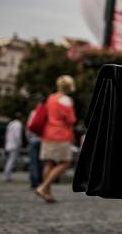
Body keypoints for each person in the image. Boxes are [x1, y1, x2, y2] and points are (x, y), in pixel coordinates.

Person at [35, 75, 77, 203]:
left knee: (49, 163)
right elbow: (71, 120)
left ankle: (47, 193)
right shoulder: (67, 101)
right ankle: (43, 187)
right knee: (65, 162)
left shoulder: (51, 98)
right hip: (61, 134)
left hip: (48, 133)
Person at [25, 95, 45, 188]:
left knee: (33, 162)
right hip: (43, 140)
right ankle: (41, 181)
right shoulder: (46, 112)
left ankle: (34, 182)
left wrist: (28, 139)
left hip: (33, 140)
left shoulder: (33, 112)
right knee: (41, 162)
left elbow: (28, 128)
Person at [3, 112, 23, 182]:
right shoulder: (18, 124)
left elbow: (6, 134)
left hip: (9, 144)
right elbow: (17, 136)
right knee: (11, 161)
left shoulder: (11, 124)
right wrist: (20, 143)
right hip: (14, 145)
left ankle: (7, 175)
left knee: (9, 160)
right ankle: (7, 176)